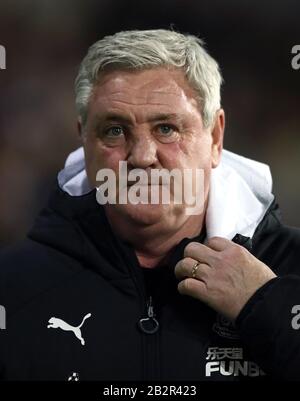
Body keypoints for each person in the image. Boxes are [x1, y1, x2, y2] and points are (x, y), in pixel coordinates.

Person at [0, 29, 300, 381]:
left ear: (216, 137)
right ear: (83, 140)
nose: (142, 157)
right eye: (114, 130)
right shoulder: (12, 287)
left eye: (166, 128)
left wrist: (265, 305)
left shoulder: (290, 267)